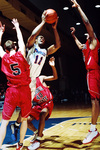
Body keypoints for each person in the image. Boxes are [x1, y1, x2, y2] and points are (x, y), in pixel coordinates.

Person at [10, 10, 61, 141]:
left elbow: (57, 45)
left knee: (26, 110)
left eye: (43, 37)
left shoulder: (45, 51)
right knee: (21, 106)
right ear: (36, 40)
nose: (42, 37)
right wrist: (43, 21)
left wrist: (54, 29)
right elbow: (33, 34)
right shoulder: (31, 46)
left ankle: (15, 124)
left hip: (32, 82)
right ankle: (15, 124)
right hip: (25, 79)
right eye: (40, 37)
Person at [70, 0, 100, 144]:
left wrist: (79, 7)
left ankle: (93, 129)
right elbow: (79, 45)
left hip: (94, 73)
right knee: (95, 100)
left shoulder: (93, 41)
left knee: (94, 101)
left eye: (88, 33)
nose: (87, 34)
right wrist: (74, 36)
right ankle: (93, 129)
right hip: (94, 73)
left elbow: (87, 22)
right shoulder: (86, 46)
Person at [0, 19, 32, 150]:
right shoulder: (21, 54)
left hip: (12, 91)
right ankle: (20, 144)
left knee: (4, 123)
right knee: (24, 120)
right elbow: (21, 41)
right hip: (24, 91)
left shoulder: (5, 57)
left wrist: (0, 33)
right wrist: (18, 27)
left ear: (6, 49)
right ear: (15, 47)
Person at [27, 56, 58, 150]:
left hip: (47, 103)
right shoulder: (27, 85)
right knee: (26, 120)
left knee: (42, 114)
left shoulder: (40, 78)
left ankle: (38, 140)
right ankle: (37, 133)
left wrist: (52, 66)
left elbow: (55, 77)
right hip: (38, 105)